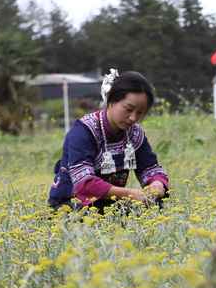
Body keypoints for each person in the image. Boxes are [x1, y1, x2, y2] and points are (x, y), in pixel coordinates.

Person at [48, 69, 169, 213]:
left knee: (156, 208)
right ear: (111, 101)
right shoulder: (84, 131)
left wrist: (156, 183)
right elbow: (84, 183)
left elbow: (150, 168)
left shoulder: (135, 134)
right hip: (72, 203)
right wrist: (131, 195)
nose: (133, 118)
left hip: (112, 203)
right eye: (128, 109)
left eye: (140, 112)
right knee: (117, 213)